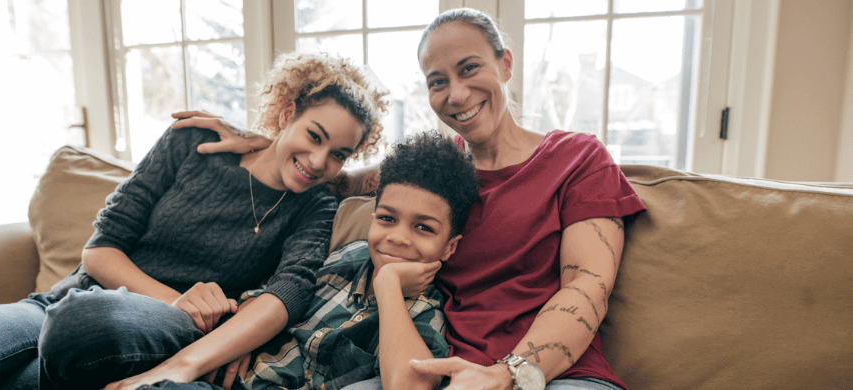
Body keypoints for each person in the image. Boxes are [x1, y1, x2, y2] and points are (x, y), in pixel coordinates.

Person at [175, 8, 647, 390]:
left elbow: (587, 288)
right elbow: (331, 175)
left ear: (505, 64)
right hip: (435, 367)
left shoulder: (578, 158)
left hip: (553, 375)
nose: (456, 94)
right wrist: (260, 141)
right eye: (437, 80)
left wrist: (505, 375)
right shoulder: (437, 171)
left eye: (469, 69)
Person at [0, 52, 386, 390]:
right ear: (288, 112)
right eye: (314, 136)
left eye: (338, 154)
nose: (318, 161)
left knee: (83, 323)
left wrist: (208, 329)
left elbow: (287, 294)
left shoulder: (315, 207)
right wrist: (178, 300)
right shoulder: (194, 140)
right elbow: (101, 249)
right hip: (67, 300)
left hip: (157, 331)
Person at [139, 131, 481, 390]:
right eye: (387, 219)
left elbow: (408, 385)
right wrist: (243, 338)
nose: (397, 237)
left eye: (423, 227)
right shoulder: (345, 259)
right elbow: (271, 297)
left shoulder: (426, 312)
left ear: (450, 247)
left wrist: (388, 284)